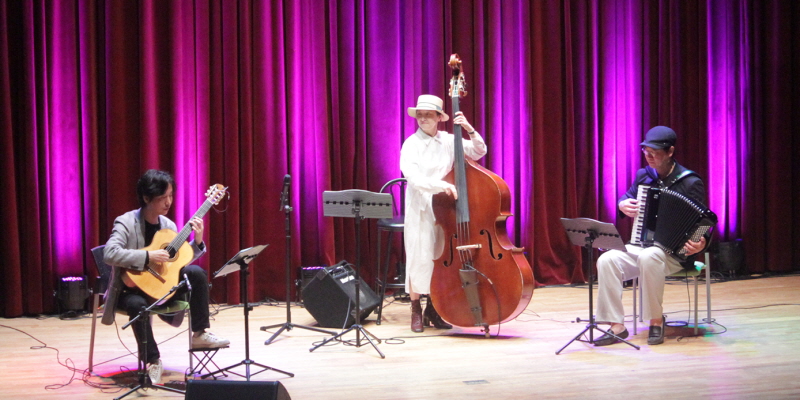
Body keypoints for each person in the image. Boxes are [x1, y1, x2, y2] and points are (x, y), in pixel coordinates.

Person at [103, 169, 229, 383]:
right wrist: (148, 256)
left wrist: (198, 241)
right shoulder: (125, 222)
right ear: (146, 198)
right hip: (130, 289)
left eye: (170, 195)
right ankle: (153, 361)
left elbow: (176, 262)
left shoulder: (168, 226)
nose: (168, 202)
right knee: (137, 305)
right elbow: (110, 253)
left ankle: (200, 333)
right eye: (163, 197)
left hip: (161, 288)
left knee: (196, 272)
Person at [594, 126, 710, 346]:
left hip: (674, 254)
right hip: (642, 245)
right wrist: (622, 204)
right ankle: (616, 326)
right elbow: (627, 198)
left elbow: (702, 221)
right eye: (646, 151)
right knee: (607, 259)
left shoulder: (690, 182)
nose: (648, 156)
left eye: (654, 152)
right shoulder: (644, 176)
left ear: (670, 152)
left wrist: (701, 242)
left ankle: (656, 321)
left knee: (650, 256)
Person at [399, 94, 488, 332]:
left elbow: (479, 151)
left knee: (441, 259)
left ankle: (433, 309)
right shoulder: (411, 144)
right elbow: (414, 179)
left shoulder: (449, 140)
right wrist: (442, 186)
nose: (423, 119)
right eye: (420, 115)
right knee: (419, 256)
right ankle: (415, 309)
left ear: (439, 117)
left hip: (446, 208)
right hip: (421, 206)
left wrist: (469, 128)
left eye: (428, 115)